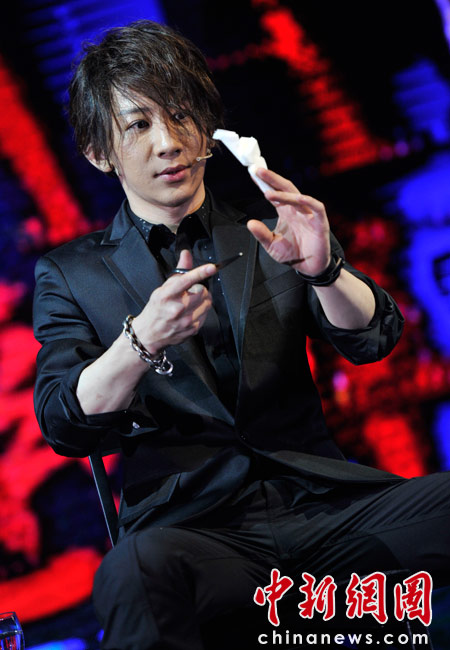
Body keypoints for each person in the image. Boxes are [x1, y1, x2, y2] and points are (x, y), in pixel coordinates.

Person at [33, 19, 450, 650]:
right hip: (196, 534)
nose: (169, 143)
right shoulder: (72, 273)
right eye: (138, 125)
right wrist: (141, 341)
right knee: (134, 572)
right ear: (99, 151)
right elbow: (65, 420)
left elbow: (373, 338)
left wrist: (325, 271)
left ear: (208, 128)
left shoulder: (269, 226)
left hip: (323, 512)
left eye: (181, 116)